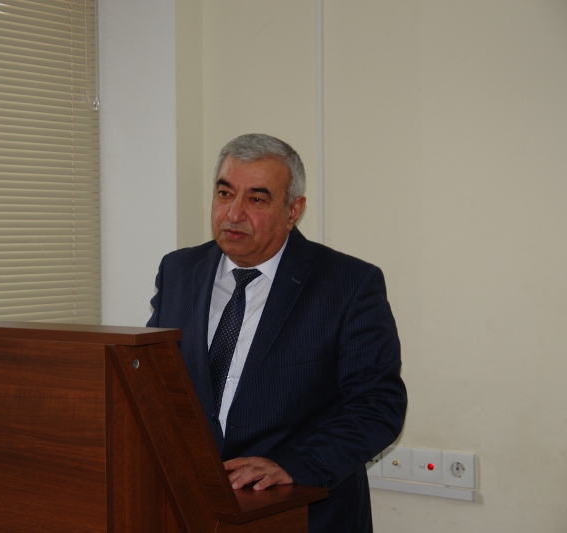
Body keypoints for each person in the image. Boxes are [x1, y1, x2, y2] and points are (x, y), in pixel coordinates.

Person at [147, 133, 407, 532]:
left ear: (293, 211)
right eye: (224, 193)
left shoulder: (348, 284)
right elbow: (155, 381)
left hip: (303, 512)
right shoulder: (179, 271)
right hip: (194, 508)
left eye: (256, 199)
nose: (233, 213)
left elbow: (377, 405)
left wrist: (295, 464)